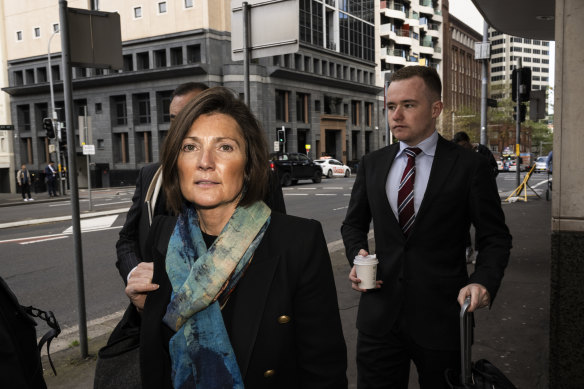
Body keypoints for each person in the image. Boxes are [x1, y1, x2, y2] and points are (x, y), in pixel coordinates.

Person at [125, 87, 347, 388]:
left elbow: (324, 371)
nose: (205, 161)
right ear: (176, 163)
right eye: (190, 147)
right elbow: (158, 360)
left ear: (248, 164)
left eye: (224, 147)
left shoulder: (298, 241)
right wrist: (145, 308)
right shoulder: (164, 236)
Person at [341, 66, 512, 388]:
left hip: (443, 318)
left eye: (408, 105)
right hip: (379, 317)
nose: (397, 115)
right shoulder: (373, 163)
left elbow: (495, 237)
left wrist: (483, 282)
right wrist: (357, 255)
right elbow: (353, 224)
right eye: (391, 106)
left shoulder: (469, 166)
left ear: (436, 109)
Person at [116, 82, 210, 289]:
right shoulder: (150, 175)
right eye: (174, 119)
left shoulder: (246, 177)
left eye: (189, 116)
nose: (178, 126)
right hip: (152, 311)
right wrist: (135, 275)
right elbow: (127, 239)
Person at [452, 131, 499, 263]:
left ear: (469, 142)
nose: (462, 148)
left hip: (480, 194)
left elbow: (494, 169)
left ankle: (479, 251)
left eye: (464, 145)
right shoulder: (456, 153)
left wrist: (485, 182)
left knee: (481, 222)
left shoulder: (482, 151)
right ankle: (467, 249)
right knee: (460, 223)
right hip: (462, 193)